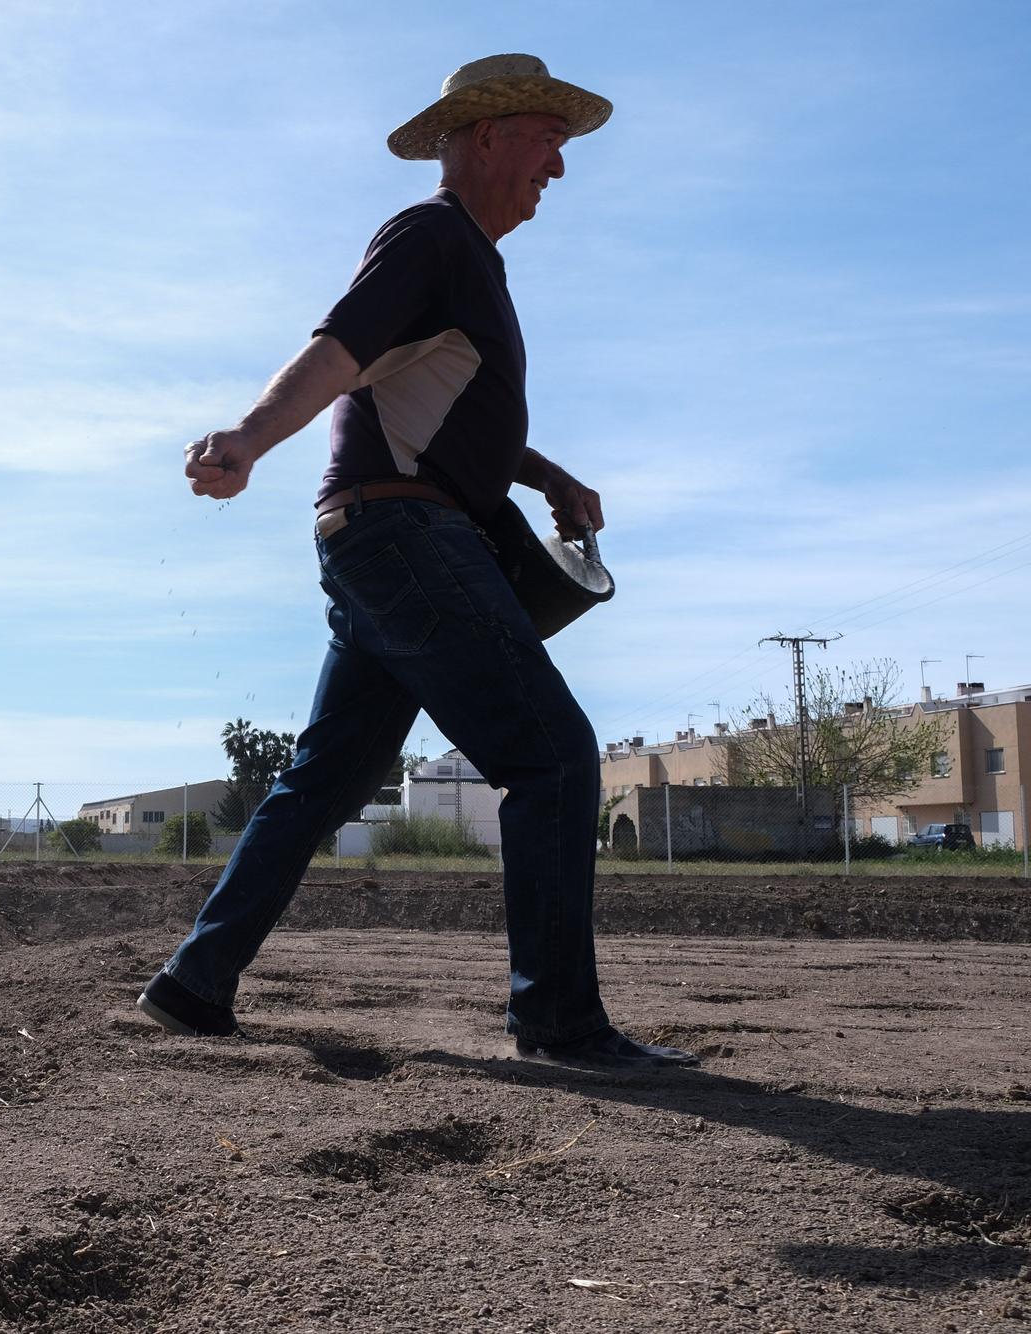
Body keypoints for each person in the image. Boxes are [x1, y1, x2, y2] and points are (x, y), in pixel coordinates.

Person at [136, 54, 696, 1069]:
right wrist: (248, 439)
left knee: (321, 780)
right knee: (553, 756)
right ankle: (560, 1021)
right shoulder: (430, 234)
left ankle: (193, 981)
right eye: (546, 141)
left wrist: (538, 471)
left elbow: (424, 398)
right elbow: (341, 348)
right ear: (485, 136)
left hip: (380, 544)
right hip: (405, 540)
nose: (556, 170)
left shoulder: (467, 259)